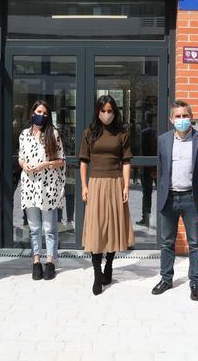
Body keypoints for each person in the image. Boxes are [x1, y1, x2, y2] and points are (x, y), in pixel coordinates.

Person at [151, 99, 198, 301]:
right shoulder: (163, 140)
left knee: (195, 243)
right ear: (171, 119)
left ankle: (195, 282)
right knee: (167, 242)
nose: (182, 119)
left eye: (185, 116)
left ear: (191, 117)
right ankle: (166, 279)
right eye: (178, 116)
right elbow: (161, 168)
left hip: (190, 199)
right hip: (169, 197)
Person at [79, 94, 135, 295]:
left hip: (115, 182)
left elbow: (127, 162)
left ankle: (109, 265)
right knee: (97, 227)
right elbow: (84, 161)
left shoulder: (122, 133)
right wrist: (84, 187)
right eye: (103, 111)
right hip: (95, 183)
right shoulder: (89, 133)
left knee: (113, 225)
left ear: (115, 112)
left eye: (110, 111)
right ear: (98, 112)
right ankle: (96, 273)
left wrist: (126, 186)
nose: (106, 114)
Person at [18, 100, 66, 280]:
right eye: (39, 111)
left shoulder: (53, 133)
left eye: (45, 113)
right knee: (34, 228)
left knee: (49, 228)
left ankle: (51, 262)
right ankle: (36, 261)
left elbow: (61, 160)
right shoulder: (24, 134)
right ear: (32, 112)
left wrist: (45, 164)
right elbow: (21, 157)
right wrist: (24, 165)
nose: (42, 115)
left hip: (48, 187)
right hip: (30, 186)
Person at [137, 111, 157, 227]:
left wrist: (151, 169)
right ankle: (149, 218)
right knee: (159, 194)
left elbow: (144, 152)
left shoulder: (145, 133)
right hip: (153, 167)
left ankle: (146, 218)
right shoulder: (158, 132)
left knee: (146, 194)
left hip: (147, 168)